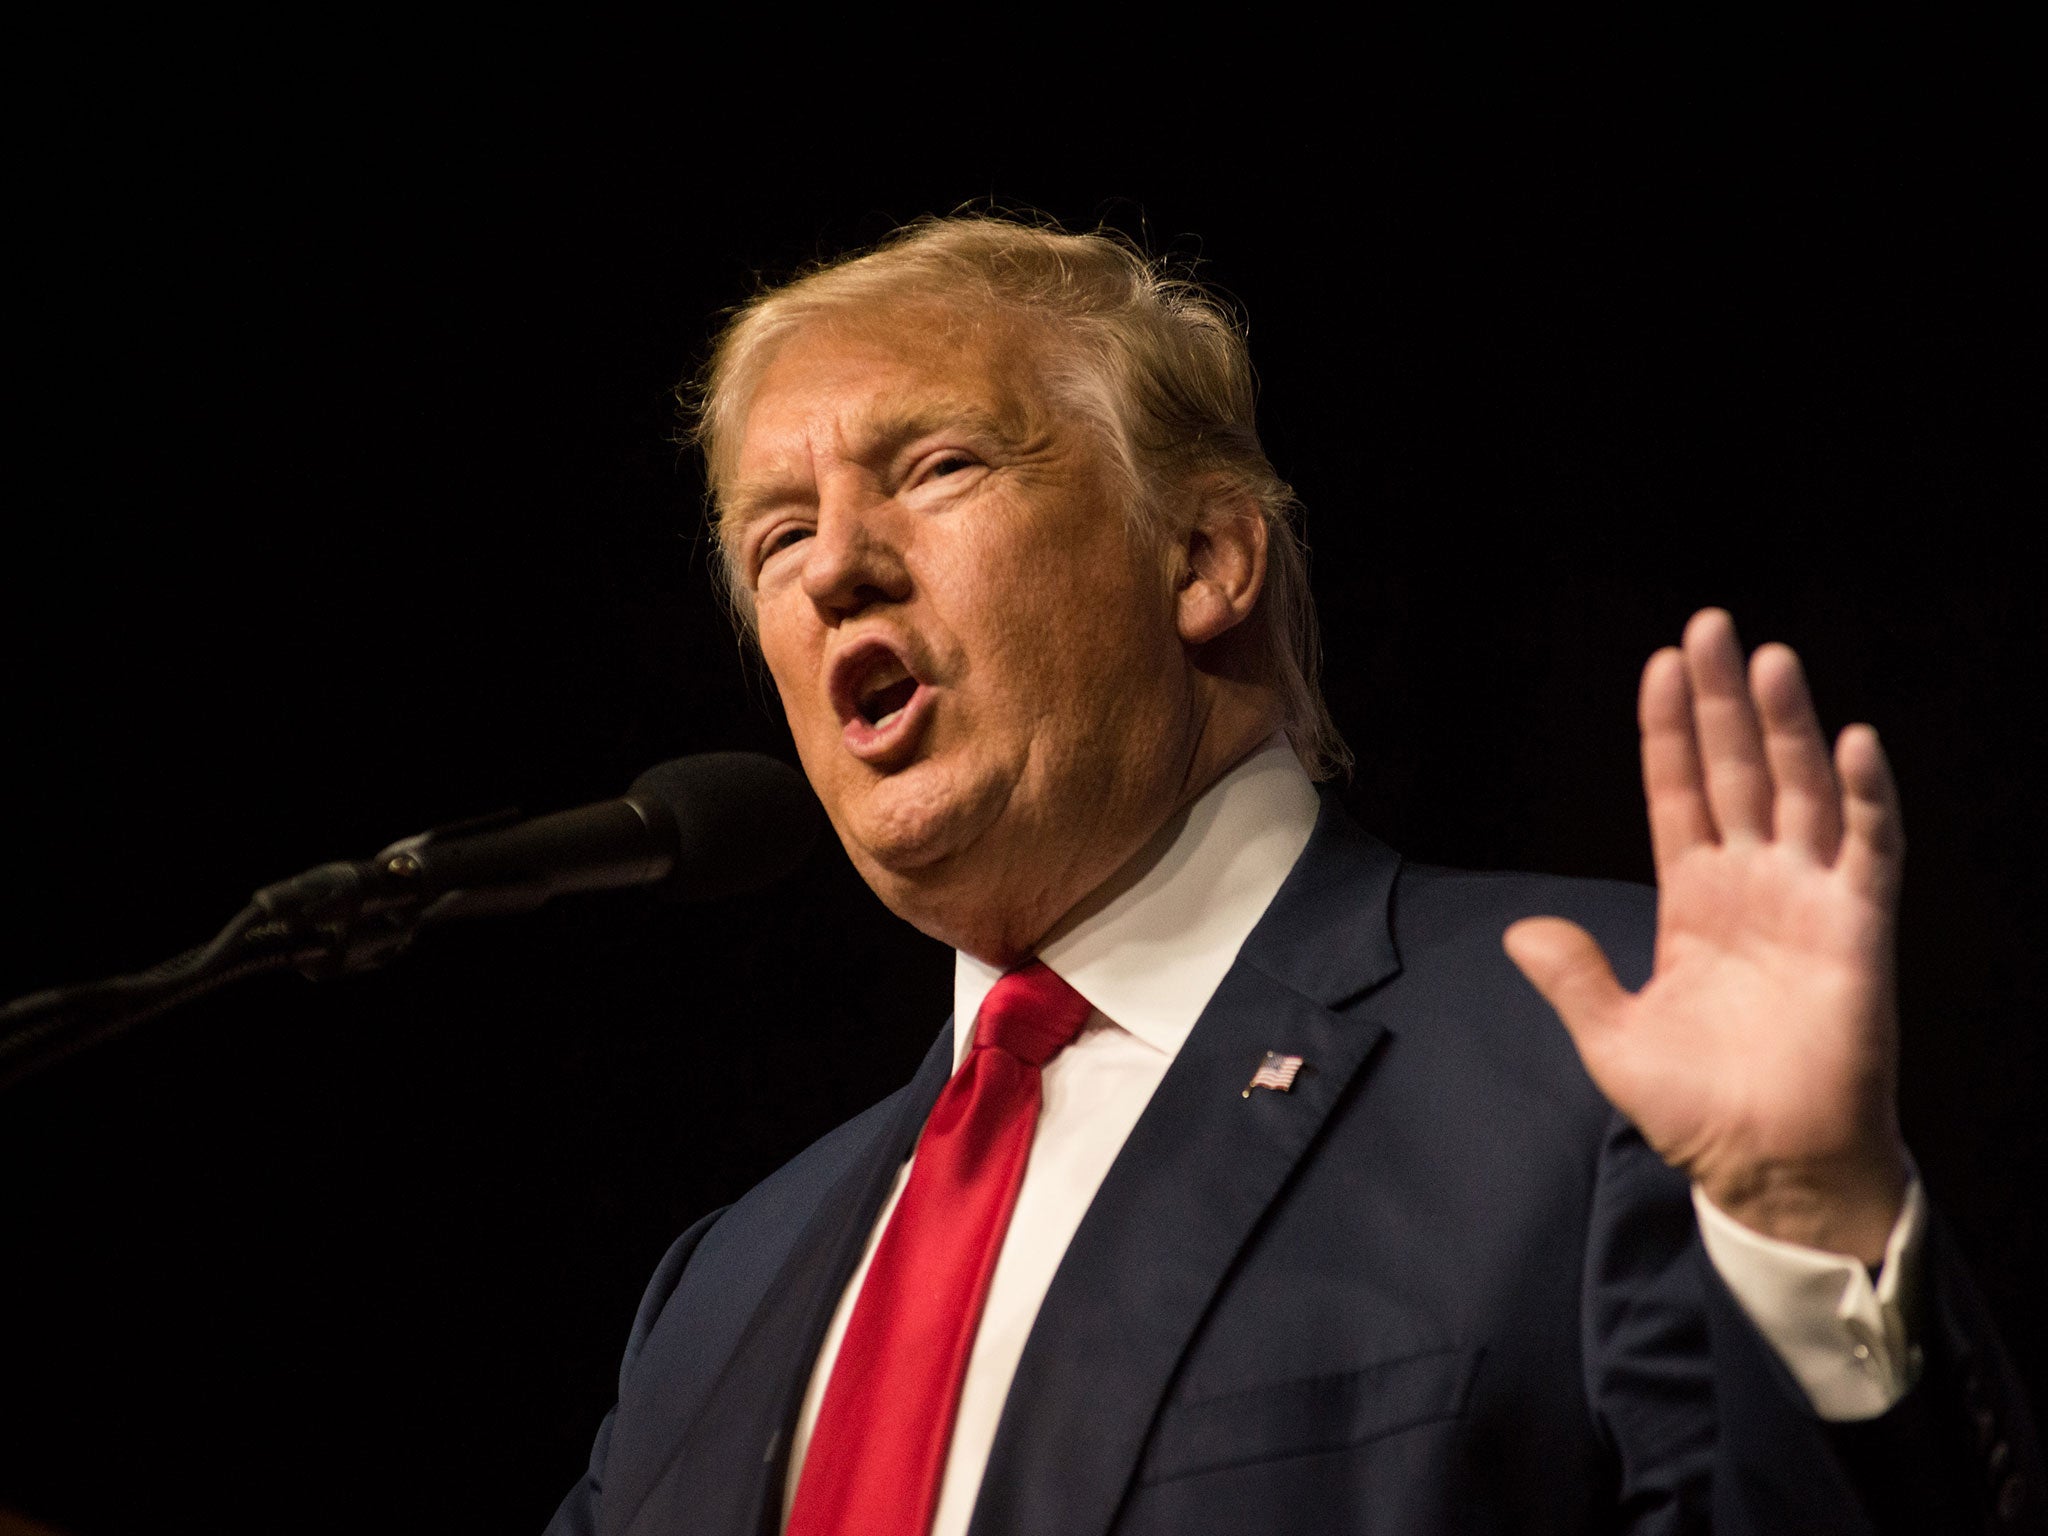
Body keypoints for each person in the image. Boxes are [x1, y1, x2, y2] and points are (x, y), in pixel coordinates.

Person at [545, 216, 2039, 1535]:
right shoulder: (717, 1297)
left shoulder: (1602, 1058)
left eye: (936, 466)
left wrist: (1809, 1241)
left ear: (1203, 556)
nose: (831, 568)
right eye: (777, 535)